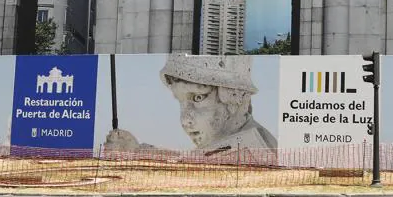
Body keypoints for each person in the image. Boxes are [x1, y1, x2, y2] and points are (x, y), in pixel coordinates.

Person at [103, 54, 276, 154]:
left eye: (198, 98)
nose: (185, 120)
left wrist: (135, 153)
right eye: (181, 102)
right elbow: (193, 163)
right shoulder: (232, 144)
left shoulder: (253, 150)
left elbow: (192, 172)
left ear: (235, 97)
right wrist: (136, 151)